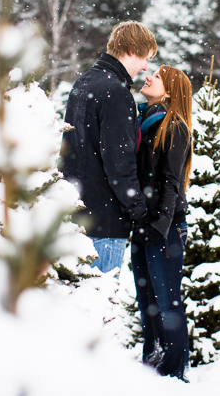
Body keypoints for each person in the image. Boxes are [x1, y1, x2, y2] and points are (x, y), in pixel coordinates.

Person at [59, 21, 157, 274]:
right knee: (98, 308)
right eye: (145, 58)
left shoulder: (84, 83)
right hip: (104, 221)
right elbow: (120, 164)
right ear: (133, 50)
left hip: (76, 215)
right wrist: (139, 212)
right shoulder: (116, 93)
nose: (146, 67)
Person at [131, 65, 193, 381]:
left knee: (167, 303)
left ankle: (174, 373)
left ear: (168, 91)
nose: (149, 77)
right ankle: (152, 361)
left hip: (165, 229)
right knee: (147, 302)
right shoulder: (144, 121)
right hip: (145, 225)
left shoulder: (175, 127)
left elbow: (171, 181)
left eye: (157, 76)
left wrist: (160, 225)